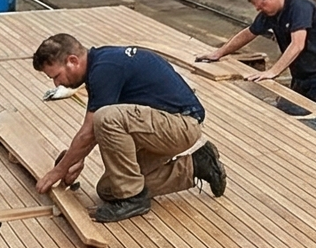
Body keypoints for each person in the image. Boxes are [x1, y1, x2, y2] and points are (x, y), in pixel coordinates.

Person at [32, 33, 227, 223]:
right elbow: (92, 132)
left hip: (181, 124)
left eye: (56, 76)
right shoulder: (100, 64)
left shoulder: (104, 69)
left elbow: (91, 131)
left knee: (106, 118)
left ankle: (133, 199)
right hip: (163, 127)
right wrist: (76, 159)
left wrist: (58, 171)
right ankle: (198, 165)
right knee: (110, 189)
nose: (57, 83)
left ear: (73, 61)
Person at [198, 0, 316, 112]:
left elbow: (297, 45)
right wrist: (219, 53)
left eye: (262, 5)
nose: (259, 9)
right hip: (300, 78)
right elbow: (248, 33)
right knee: (289, 118)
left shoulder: (300, 7)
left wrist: (273, 72)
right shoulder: (270, 14)